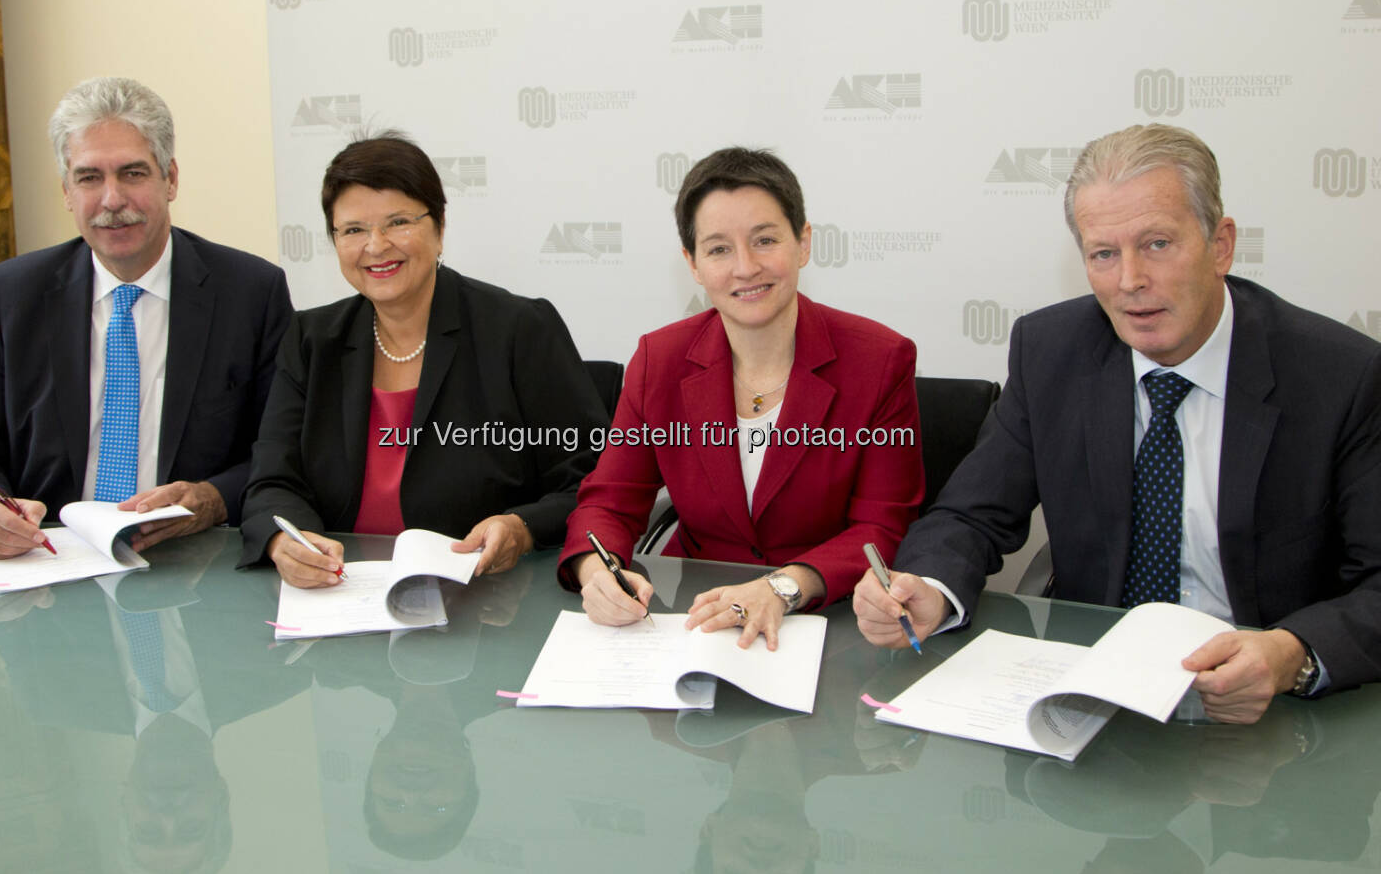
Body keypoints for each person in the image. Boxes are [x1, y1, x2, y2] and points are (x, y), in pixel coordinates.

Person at [854, 123, 1381, 722]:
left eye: (1157, 244)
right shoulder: (1050, 349)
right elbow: (971, 513)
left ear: (1221, 245)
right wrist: (929, 587)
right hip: (1091, 688)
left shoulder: (1341, 376)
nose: (1130, 280)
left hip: (1267, 705)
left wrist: (1292, 654)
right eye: (1104, 254)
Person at [560, 147, 924, 649]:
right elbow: (611, 501)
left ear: (803, 243)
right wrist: (595, 571)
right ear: (691, 263)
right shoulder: (659, 359)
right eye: (718, 249)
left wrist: (782, 587)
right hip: (700, 617)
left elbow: (882, 527)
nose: (745, 268)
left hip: (835, 619)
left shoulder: (881, 360)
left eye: (765, 240)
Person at [0, 77, 293, 557]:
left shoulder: (250, 292)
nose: (112, 200)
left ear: (170, 179)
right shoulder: (14, 293)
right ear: (66, 190)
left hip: (190, 562)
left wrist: (213, 499)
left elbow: (283, 450)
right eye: (89, 178)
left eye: (132, 174)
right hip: (48, 562)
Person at [240, 132, 608, 584]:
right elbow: (273, 479)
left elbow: (593, 475)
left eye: (398, 222)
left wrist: (523, 528)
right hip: (342, 594)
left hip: (488, 599)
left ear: (439, 227)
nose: (375, 246)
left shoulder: (518, 329)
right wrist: (286, 541)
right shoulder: (312, 339)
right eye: (353, 229)